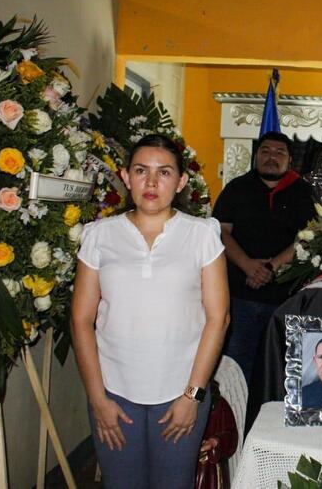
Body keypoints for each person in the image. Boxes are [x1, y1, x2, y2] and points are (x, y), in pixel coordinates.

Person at [71, 134, 229, 489]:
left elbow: (219, 319)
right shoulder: (100, 235)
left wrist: (192, 396)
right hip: (114, 393)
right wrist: (97, 398)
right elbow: (81, 320)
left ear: (181, 181)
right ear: (126, 177)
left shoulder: (202, 235)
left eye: (165, 172)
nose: (152, 182)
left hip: (181, 393)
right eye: (141, 171)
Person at [212, 131, 316, 384]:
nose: (272, 157)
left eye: (279, 153)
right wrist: (247, 265)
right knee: (235, 365)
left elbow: (309, 237)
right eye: (265, 151)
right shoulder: (236, 188)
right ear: (256, 155)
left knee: (280, 365)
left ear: (290, 160)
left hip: (285, 297)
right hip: (239, 295)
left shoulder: (303, 192)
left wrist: (271, 266)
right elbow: (220, 232)